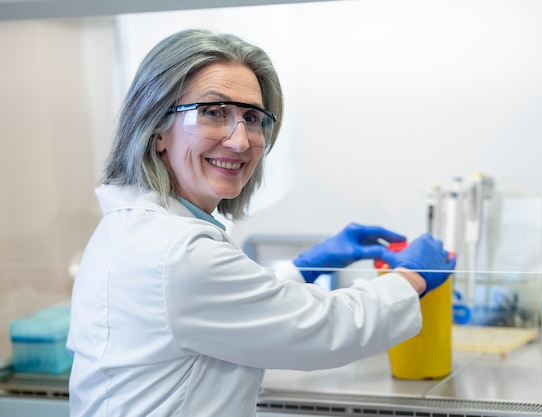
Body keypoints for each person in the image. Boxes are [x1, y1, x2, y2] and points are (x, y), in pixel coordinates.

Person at [66, 29, 456, 417]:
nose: (240, 141)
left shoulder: (132, 228)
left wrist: (305, 268)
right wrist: (411, 279)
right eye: (213, 113)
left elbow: (228, 309)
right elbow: (321, 330)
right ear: (156, 130)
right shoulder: (176, 251)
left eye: (252, 118)